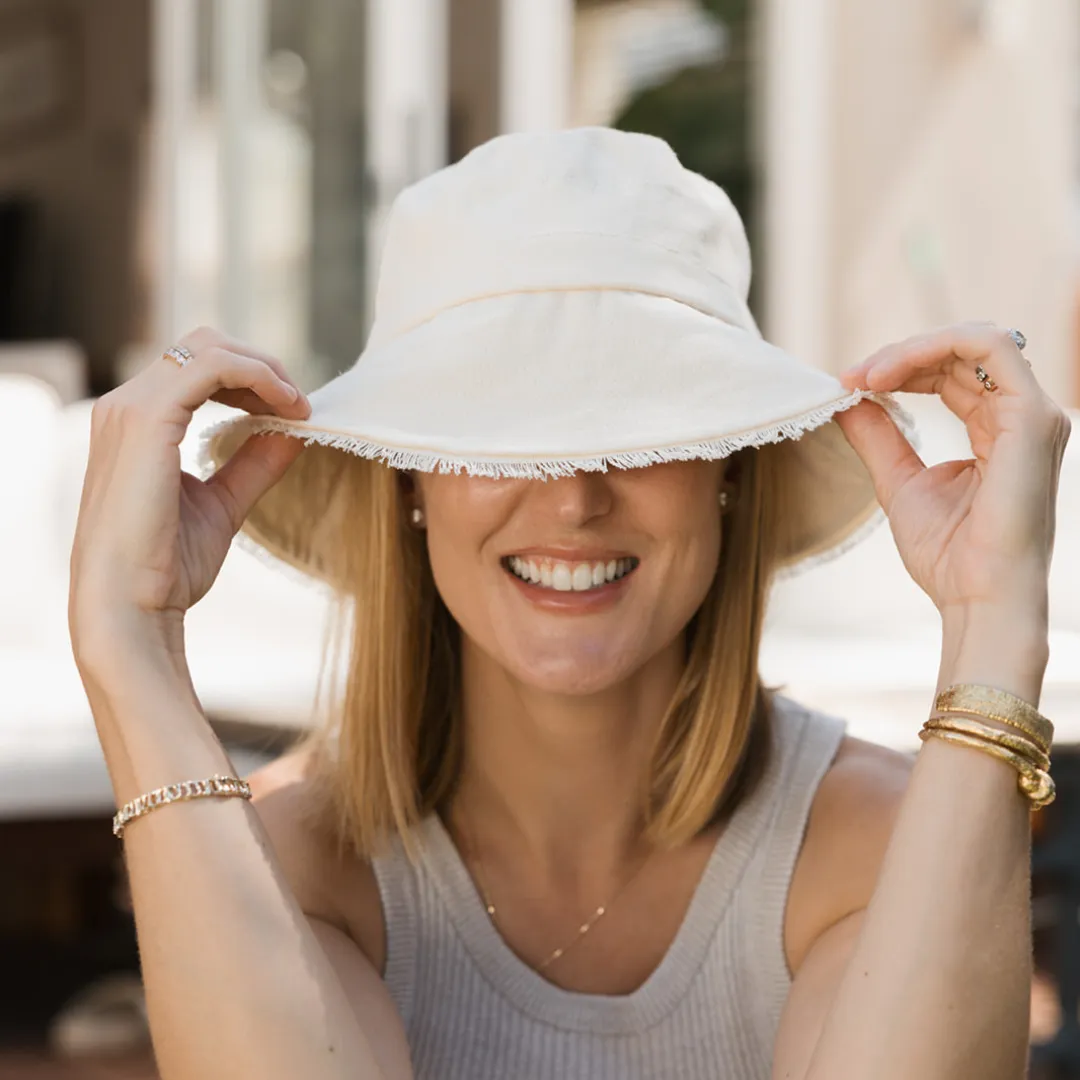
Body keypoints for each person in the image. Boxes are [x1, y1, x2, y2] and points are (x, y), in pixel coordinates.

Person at [69, 127, 1070, 1080]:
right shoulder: (288, 870)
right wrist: (129, 646)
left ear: (729, 467)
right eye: (498, 430)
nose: (575, 498)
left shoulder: (873, 846)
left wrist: (993, 623)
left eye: (647, 429)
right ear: (408, 481)